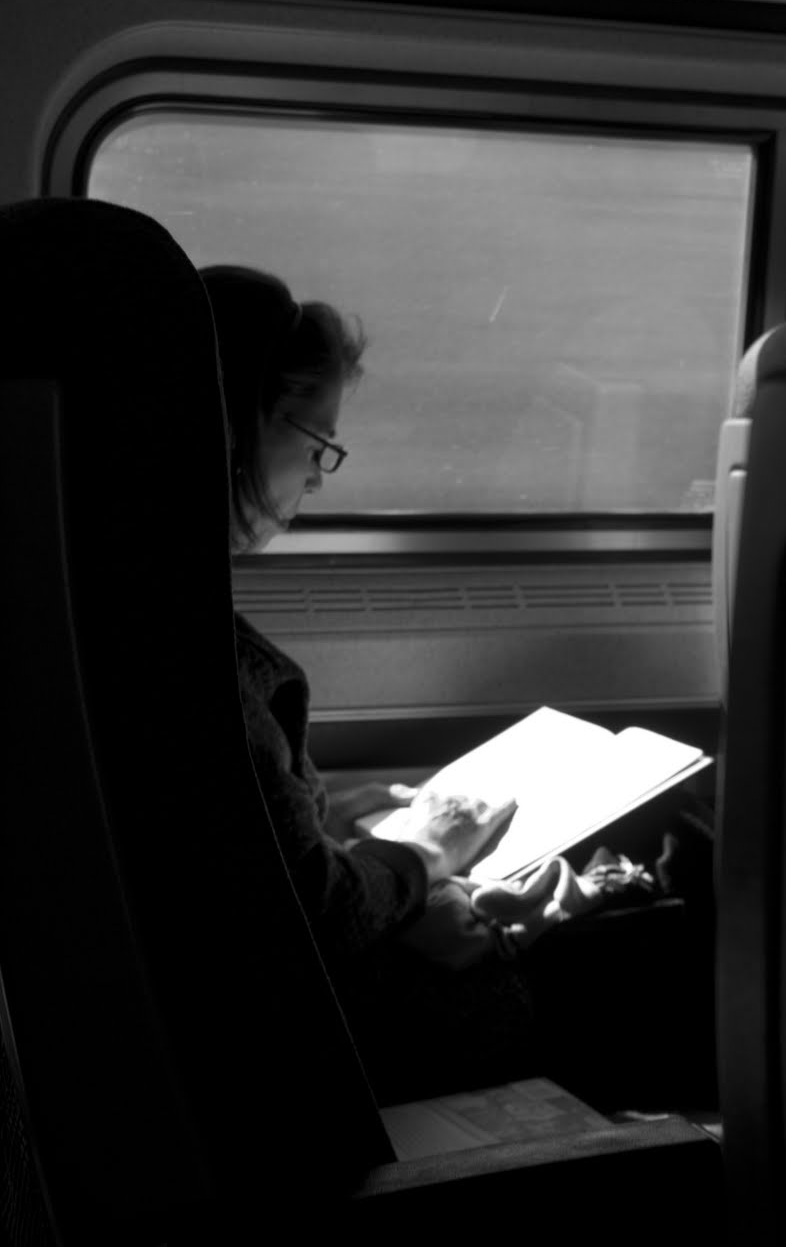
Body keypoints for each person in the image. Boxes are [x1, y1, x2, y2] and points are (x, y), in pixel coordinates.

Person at [202, 264, 716, 1110]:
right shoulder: (201, 665)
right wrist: (421, 854)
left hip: (286, 1002)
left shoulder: (107, 600)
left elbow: (240, 859)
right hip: (325, 1037)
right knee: (670, 901)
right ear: (231, 428)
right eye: (316, 441)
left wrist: (319, 822)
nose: (319, 476)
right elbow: (314, 919)